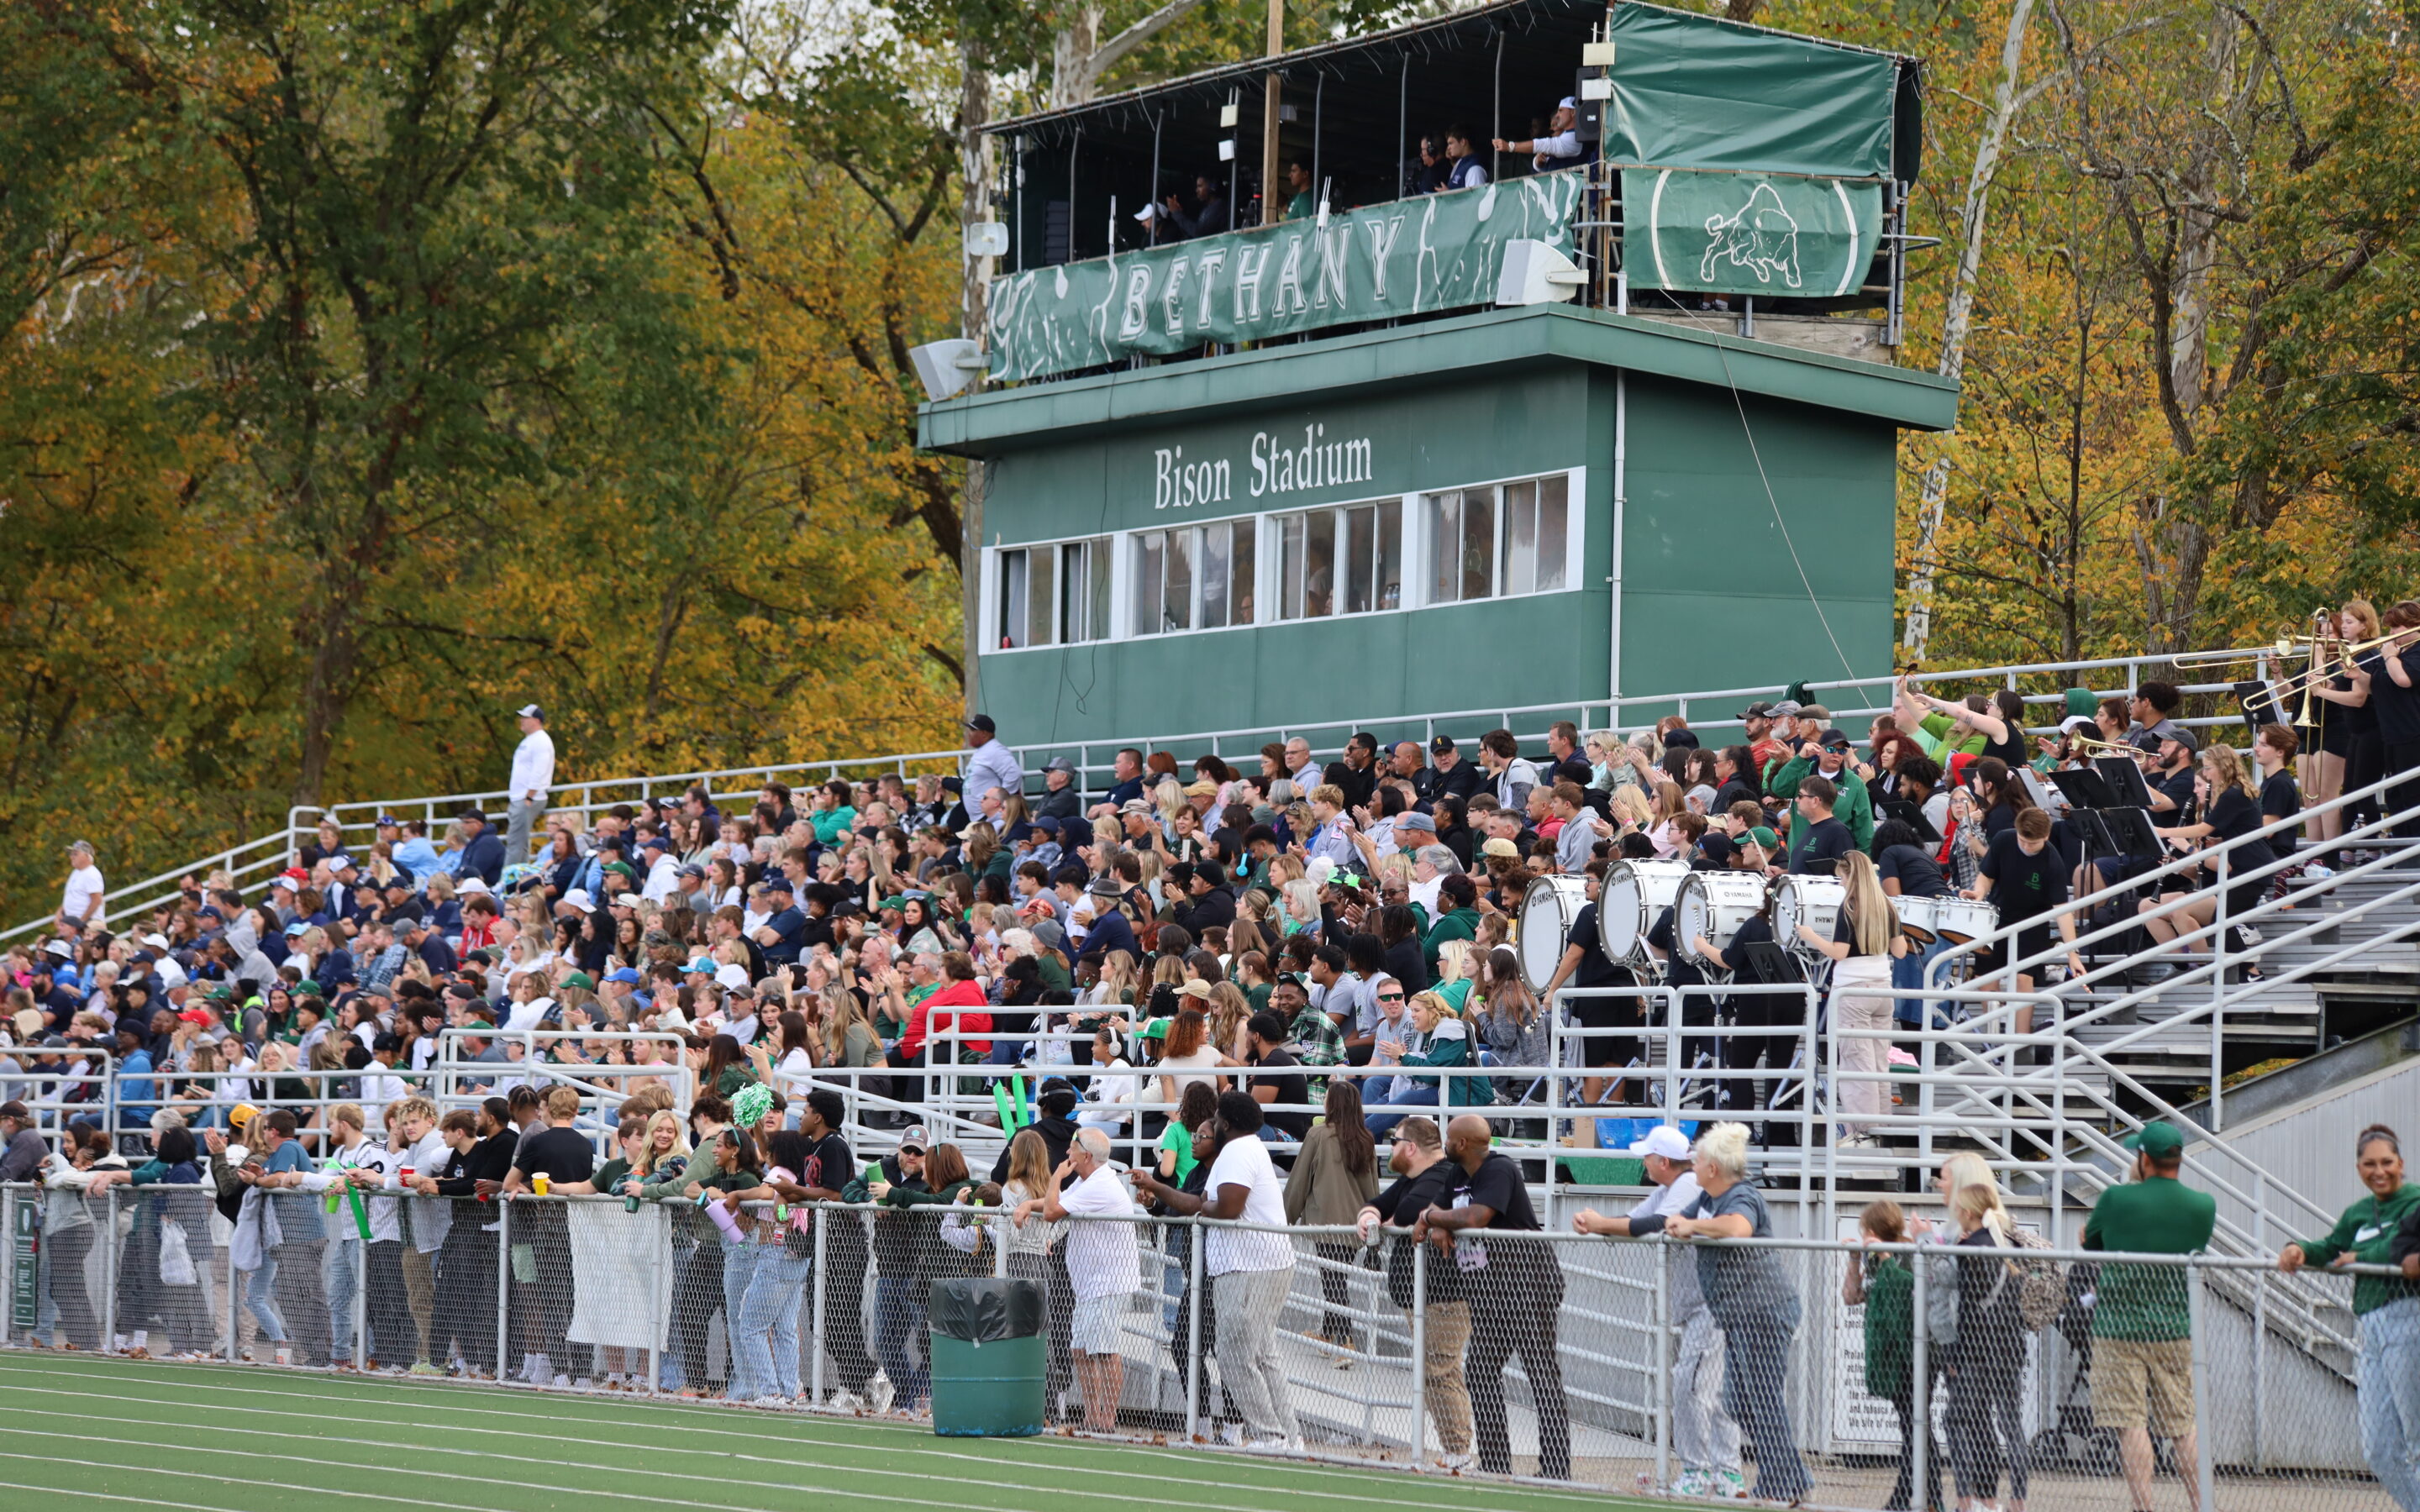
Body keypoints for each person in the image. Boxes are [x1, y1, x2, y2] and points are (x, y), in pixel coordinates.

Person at [1571, 1124, 1744, 1499]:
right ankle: (1722, 1474)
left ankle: (1705, 1472)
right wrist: (1599, 1223)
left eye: (1648, 1156)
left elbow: (1655, 1224)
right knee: (1705, 1389)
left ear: (1664, 1161)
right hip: (1701, 1305)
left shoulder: (1685, 1185)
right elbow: (1634, 1220)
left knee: (1693, 1387)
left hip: (1713, 1305)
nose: (1645, 1162)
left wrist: (1602, 1224)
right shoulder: (1670, 1187)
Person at [1644, 1121, 1811, 1504]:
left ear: (1713, 1168)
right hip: (1736, 1317)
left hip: (1765, 1312)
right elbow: (1669, 1222)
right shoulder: (1705, 1198)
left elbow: (1738, 1228)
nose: (1692, 1164)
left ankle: (1782, 1482)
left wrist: (1691, 1226)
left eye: (1698, 1160)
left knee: (1763, 1398)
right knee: (1737, 1401)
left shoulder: (1742, 1196)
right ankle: (1790, 1475)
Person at [1134, 1089, 1299, 1451]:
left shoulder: (1239, 1151)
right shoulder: (1239, 1150)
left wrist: (1206, 1207)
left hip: (1250, 1267)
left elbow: (1226, 1208)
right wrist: (1157, 1187)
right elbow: (1197, 1202)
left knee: (1235, 1354)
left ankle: (1271, 1436)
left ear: (1226, 1123)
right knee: (1262, 1356)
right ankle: (1289, 1437)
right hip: (1256, 1265)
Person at [1413, 1113, 1570, 1479]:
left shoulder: (1500, 1169)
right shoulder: (1456, 1174)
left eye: (1449, 1137)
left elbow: (1478, 1216)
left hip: (1527, 1283)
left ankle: (1556, 1468)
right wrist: (1434, 1218)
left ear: (1463, 1144)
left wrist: (1438, 1220)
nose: (1445, 1143)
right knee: (1481, 1371)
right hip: (1487, 1289)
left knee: (1541, 1372)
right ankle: (1497, 1462)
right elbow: (1433, 1209)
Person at [2276, 1124, 2420, 1509]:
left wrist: (2362, 1258)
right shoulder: (2358, 1212)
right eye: (2369, 1163)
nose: (2379, 1171)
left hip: (2409, 1319)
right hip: (2369, 1327)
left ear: (2401, 1164)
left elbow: (2400, 1250)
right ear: (2358, 1168)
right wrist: (2299, 1250)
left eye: (2387, 1162)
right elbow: (2333, 1248)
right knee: (2379, 1450)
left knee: (2417, 1441)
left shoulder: (2415, 1201)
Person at [2082, 1120, 2217, 1512]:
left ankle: (2145, 1507)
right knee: (2182, 1424)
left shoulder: (2116, 1199)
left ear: (2144, 1158)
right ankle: (2200, 1504)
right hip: (2174, 1328)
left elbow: (2092, 1245)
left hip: (2119, 1328)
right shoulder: (2203, 1205)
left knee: (2131, 1423)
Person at [1356, 1116, 1475, 1468]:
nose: (1389, 1147)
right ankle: (1455, 1451)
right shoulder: (1413, 1178)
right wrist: (1370, 1216)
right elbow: (1378, 1202)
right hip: (1422, 1298)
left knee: (1440, 1373)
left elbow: (1410, 1212)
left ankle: (1459, 1453)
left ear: (1410, 1147)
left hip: (1444, 1297)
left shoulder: (1441, 1175)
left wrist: (1394, 1218)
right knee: (1435, 1372)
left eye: (1394, 1141)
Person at [1021, 1127, 1139, 1431]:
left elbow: (1051, 1212)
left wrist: (1056, 1176)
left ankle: (1107, 1419)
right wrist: (1025, 1205)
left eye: (1072, 1149)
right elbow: (1051, 1204)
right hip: (1091, 1284)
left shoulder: (1098, 1184)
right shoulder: (1088, 1181)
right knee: (1081, 1351)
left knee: (1105, 1350)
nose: (1067, 1154)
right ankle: (1091, 1416)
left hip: (1110, 1282)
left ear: (1086, 1155)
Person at [1796, 851, 1904, 1146]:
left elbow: (1839, 953)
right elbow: (1901, 951)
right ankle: (1882, 1128)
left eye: (1841, 877)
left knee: (1857, 1066)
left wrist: (1810, 935)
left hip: (1853, 991)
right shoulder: (1888, 906)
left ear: (1850, 876)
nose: (1840, 883)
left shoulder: (1849, 907)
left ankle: (1862, 1133)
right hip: (1883, 987)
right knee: (1880, 1064)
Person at [1843, 1198, 1944, 1512]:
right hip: (1890, 1354)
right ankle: (1915, 1498)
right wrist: (1855, 1259)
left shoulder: (1908, 1253)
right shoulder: (1874, 1258)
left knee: (1918, 1426)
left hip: (1916, 1353)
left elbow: (1909, 1290)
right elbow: (1852, 1297)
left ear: (1874, 1229)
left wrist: (1886, 1256)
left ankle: (1921, 1499)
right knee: (1911, 1426)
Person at [502, 1084, 593, 1386]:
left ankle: (560, 1371)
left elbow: (508, 1182)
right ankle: (582, 1372)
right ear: (577, 1111)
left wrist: (524, 1186)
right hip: (579, 1228)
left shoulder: (538, 1143)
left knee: (552, 1301)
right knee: (578, 1300)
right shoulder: (584, 1143)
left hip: (547, 1227)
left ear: (548, 1110)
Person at [1284, 1079, 1380, 1355]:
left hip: (1326, 1221)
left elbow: (1299, 1182)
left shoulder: (1318, 1135)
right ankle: (1327, 1334)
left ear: (1332, 1104)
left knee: (1333, 1283)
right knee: (1337, 1279)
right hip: (1356, 1224)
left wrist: (1284, 1220)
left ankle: (1345, 1341)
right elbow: (1373, 1188)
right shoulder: (1366, 1138)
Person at [507, 703, 555, 867]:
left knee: (515, 842)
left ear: (536, 720)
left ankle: (506, 882)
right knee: (521, 843)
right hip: (521, 797)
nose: (522, 721)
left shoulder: (541, 740)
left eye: (525, 718)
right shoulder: (530, 740)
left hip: (528, 797)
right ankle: (520, 877)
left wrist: (529, 796)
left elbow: (539, 770)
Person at [1492, 98, 1584, 171]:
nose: (1557, 115)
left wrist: (1510, 146)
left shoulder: (1576, 137)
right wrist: (1538, 163)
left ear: (1573, 112)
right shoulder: (1564, 135)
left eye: (1560, 111)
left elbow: (1548, 145)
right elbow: (1540, 163)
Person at [1157, 175, 1231, 239]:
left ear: (1212, 186)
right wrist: (1179, 213)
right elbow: (1191, 233)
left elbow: (1199, 233)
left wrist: (1177, 214)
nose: (1197, 190)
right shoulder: (1206, 208)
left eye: (1200, 186)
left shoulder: (1219, 206)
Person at [60, 839, 105, 929]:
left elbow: (96, 900)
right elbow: (71, 896)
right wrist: (60, 913)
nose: (71, 857)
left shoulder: (91, 873)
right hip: (74, 922)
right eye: (72, 854)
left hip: (88, 923)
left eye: (75, 854)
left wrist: (81, 922)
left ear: (86, 856)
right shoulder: (76, 872)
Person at [1441, 124, 1488, 190]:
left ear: (1463, 142)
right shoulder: (1461, 164)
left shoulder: (1474, 168)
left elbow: (1476, 198)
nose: (1448, 148)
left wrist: (1449, 196)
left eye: (1451, 143)